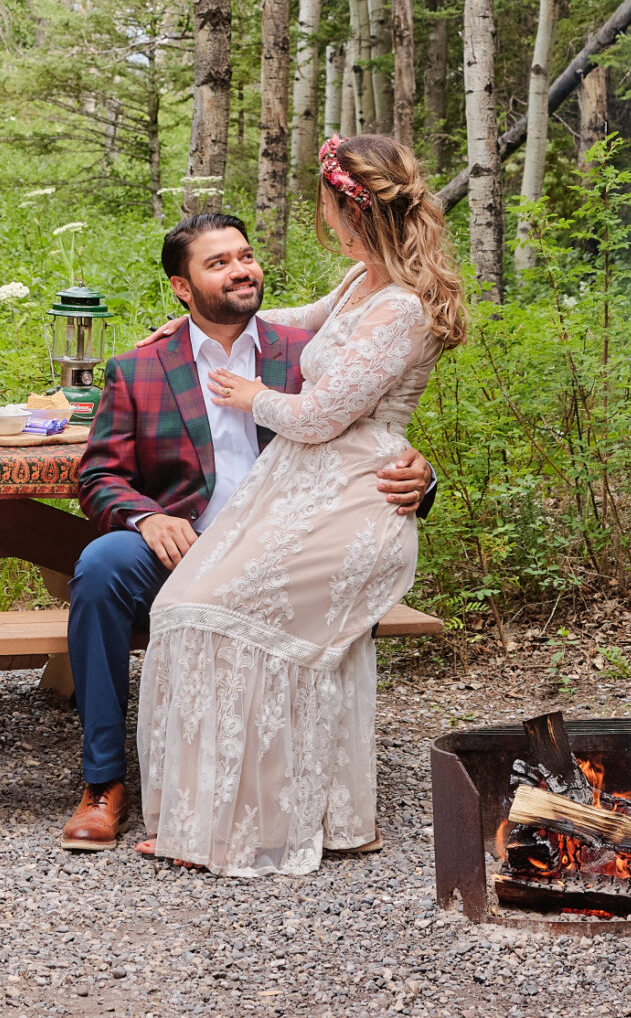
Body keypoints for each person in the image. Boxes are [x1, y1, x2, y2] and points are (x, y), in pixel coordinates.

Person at [136, 133, 468, 876]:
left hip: (353, 494)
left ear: (351, 209)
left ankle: (251, 824)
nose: (320, 213)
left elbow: (321, 415)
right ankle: (273, 813)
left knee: (219, 613)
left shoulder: (402, 308)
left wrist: (253, 395)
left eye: (323, 201)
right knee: (189, 607)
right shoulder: (362, 280)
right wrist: (193, 325)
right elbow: (294, 320)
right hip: (304, 485)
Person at [57, 209, 438, 853]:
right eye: (219, 263)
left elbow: (365, 432)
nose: (241, 271)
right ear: (182, 288)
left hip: (287, 547)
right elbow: (98, 475)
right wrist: (149, 517)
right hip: (182, 540)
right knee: (101, 569)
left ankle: (281, 792)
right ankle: (104, 784)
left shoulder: (306, 358)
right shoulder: (141, 367)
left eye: (246, 256)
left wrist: (422, 478)